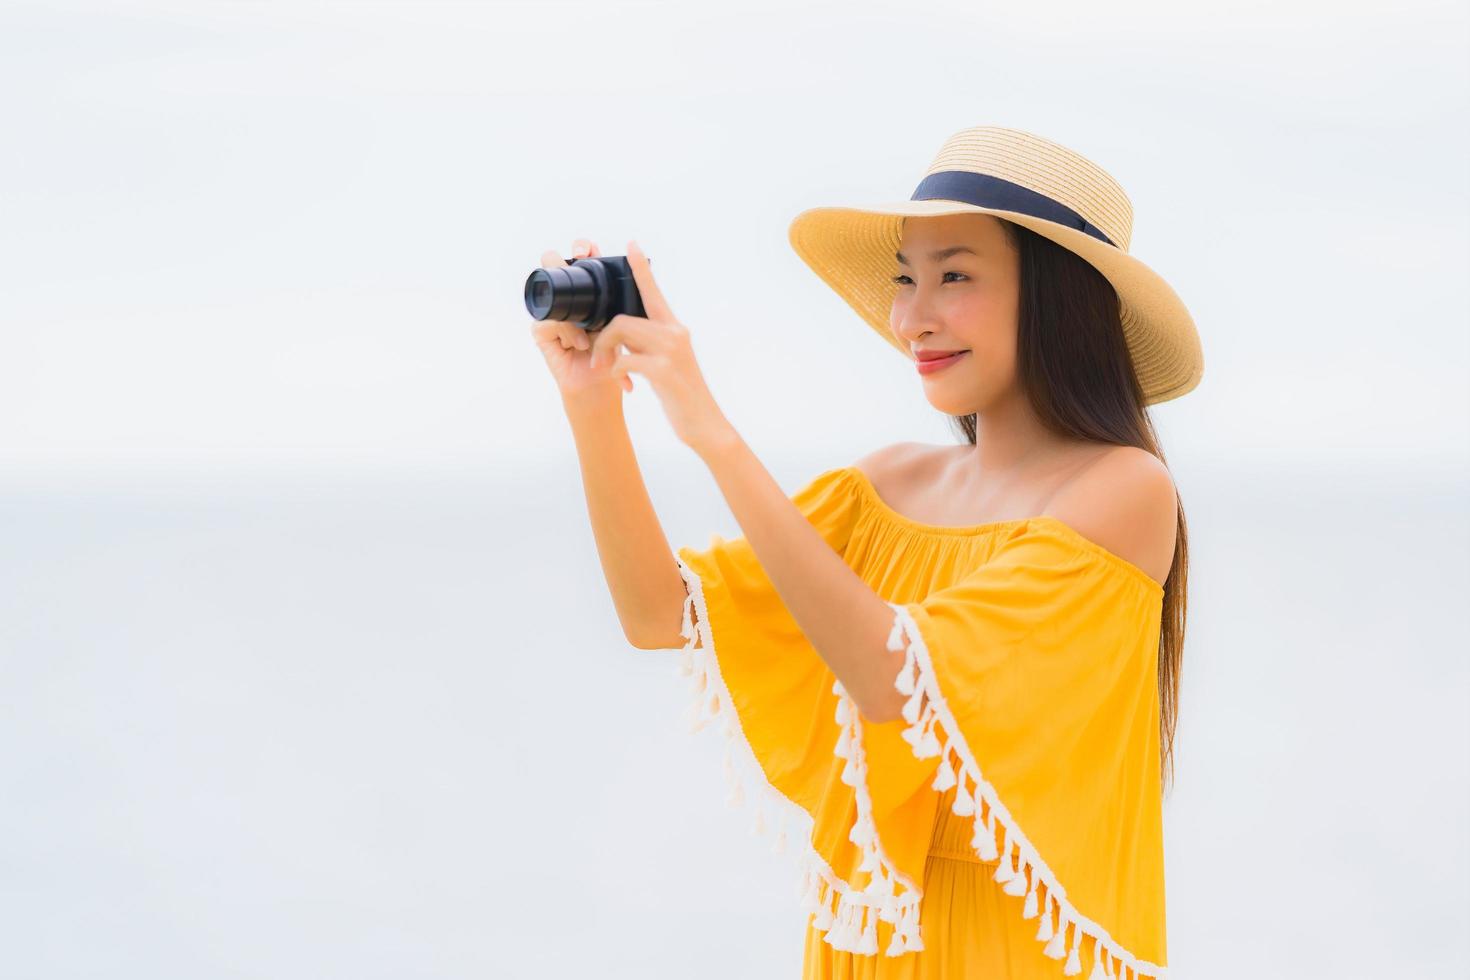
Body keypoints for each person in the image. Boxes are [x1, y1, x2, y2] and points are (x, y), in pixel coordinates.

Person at [530, 125, 1202, 980]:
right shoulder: (883, 486)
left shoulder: (1125, 488)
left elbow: (897, 679)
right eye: (904, 280)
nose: (913, 317)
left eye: (955, 276)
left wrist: (712, 432)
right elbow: (659, 614)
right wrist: (592, 406)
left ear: (1055, 297)